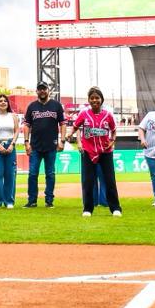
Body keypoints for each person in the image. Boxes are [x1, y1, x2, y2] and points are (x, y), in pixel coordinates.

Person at [66, 87, 120, 217]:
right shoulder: (84, 114)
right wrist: (69, 135)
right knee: (88, 181)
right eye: (92, 98)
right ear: (89, 100)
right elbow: (75, 127)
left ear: (101, 99)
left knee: (109, 180)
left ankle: (115, 208)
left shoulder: (108, 115)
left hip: (105, 152)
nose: (94, 100)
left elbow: (113, 130)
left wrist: (112, 141)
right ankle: (87, 209)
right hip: (88, 152)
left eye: (97, 98)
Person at [23, 82, 65, 208]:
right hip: (35, 146)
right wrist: (26, 142)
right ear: (36, 91)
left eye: (44, 89)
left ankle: (49, 200)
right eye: (40, 89)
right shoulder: (32, 106)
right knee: (32, 174)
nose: (42, 91)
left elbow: (62, 124)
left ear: (48, 90)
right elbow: (27, 125)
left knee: (50, 174)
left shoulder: (56, 105)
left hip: (51, 145)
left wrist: (62, 140)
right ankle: (32, 200)